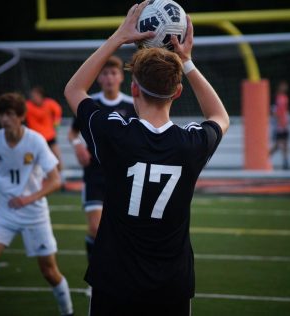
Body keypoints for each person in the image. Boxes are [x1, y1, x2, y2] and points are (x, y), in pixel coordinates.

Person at [64, 1, 229, 315]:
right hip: (172, 284)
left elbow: (74, 90)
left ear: (133, 88)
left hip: (115, 279)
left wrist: (117, 37)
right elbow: (219, 115)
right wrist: (188, 62)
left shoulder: (115, 134)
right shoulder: (190, 143)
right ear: (178, 92)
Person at [0, 93, 73, 316]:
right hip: (4, 213)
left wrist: (28, 198)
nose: (5, 119)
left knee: (49, 271)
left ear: (21, 116)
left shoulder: (36, 141)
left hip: (34, 214)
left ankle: (67, 312)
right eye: (1, 114)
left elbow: (55, 180)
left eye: (10, 114)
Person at [67, 55, 136, 272]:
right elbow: (73, 132)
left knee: (123, 229)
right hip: (94, 175)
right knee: (96, 228)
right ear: (98, 78)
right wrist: (78, 145)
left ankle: (121, 272)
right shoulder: (90, 103)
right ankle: (96, 274)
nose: (109, 78)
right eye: (105, 73)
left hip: (123, 175)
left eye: (113, 73)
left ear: (121, 77)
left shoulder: (132, 104)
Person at [26, 86, 64, 172]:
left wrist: (56, 121)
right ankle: (28, 175)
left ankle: (60, 177)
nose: (33, 98)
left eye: (35, 96)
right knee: (29, 158)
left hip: (49, 136)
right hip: (34, 138)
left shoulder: (49, 103)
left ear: (41, 96)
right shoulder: (27, 106)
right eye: (32, 96)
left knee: (57, 157)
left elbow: (58, 110)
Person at [269, 80, 290, 170]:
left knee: (284, 144)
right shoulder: (276, 98)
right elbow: (273, 111)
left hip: (283, 124)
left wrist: (284, 121)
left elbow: (284, 111)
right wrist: (278, 120)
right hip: (278, 125)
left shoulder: (285, 98)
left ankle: (285, 161)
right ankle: (265, 156)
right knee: (279, 144)